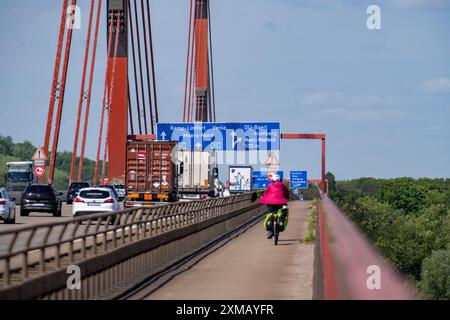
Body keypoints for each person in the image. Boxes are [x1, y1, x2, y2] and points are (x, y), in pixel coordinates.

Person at [258, 174, 290, 238]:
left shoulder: (270, 185)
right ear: (280, 180)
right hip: (281, 203)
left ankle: (270, 231)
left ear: (273, 180)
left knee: (270, 214)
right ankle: (280, 225)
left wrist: (264, 197)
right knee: (281, 214)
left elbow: (266, 193)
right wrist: (287, 197)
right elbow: (286, 193)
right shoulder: (283, 185)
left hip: (271, 203)